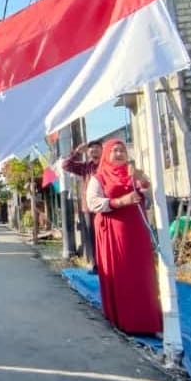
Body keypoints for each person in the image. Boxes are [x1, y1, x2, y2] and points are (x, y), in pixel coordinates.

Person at [85, 139, 163, 336]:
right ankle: (124, 320)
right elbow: (93, 203)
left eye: (122, 151)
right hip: (113, 231)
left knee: (143, 274)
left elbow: (153, 196)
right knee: (121, 272)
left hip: (137, 230)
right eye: (114, 151)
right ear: (107, 155)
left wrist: (142, 179)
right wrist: (120, 201)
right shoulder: (99, 178)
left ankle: (146, 320)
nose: (119, 154)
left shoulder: (133, 174)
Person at [62, 140, 102, 270]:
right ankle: (93, 264)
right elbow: (66, 165)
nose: (94, 150)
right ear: (88, 152)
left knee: (105, 236)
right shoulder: (85, 167)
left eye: (97, 148)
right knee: (90, 237)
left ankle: (108, 264)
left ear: (103, 150)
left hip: (106, 206)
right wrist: (77, 152)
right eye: (91, 149)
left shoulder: (106, 165)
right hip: (88, 207)